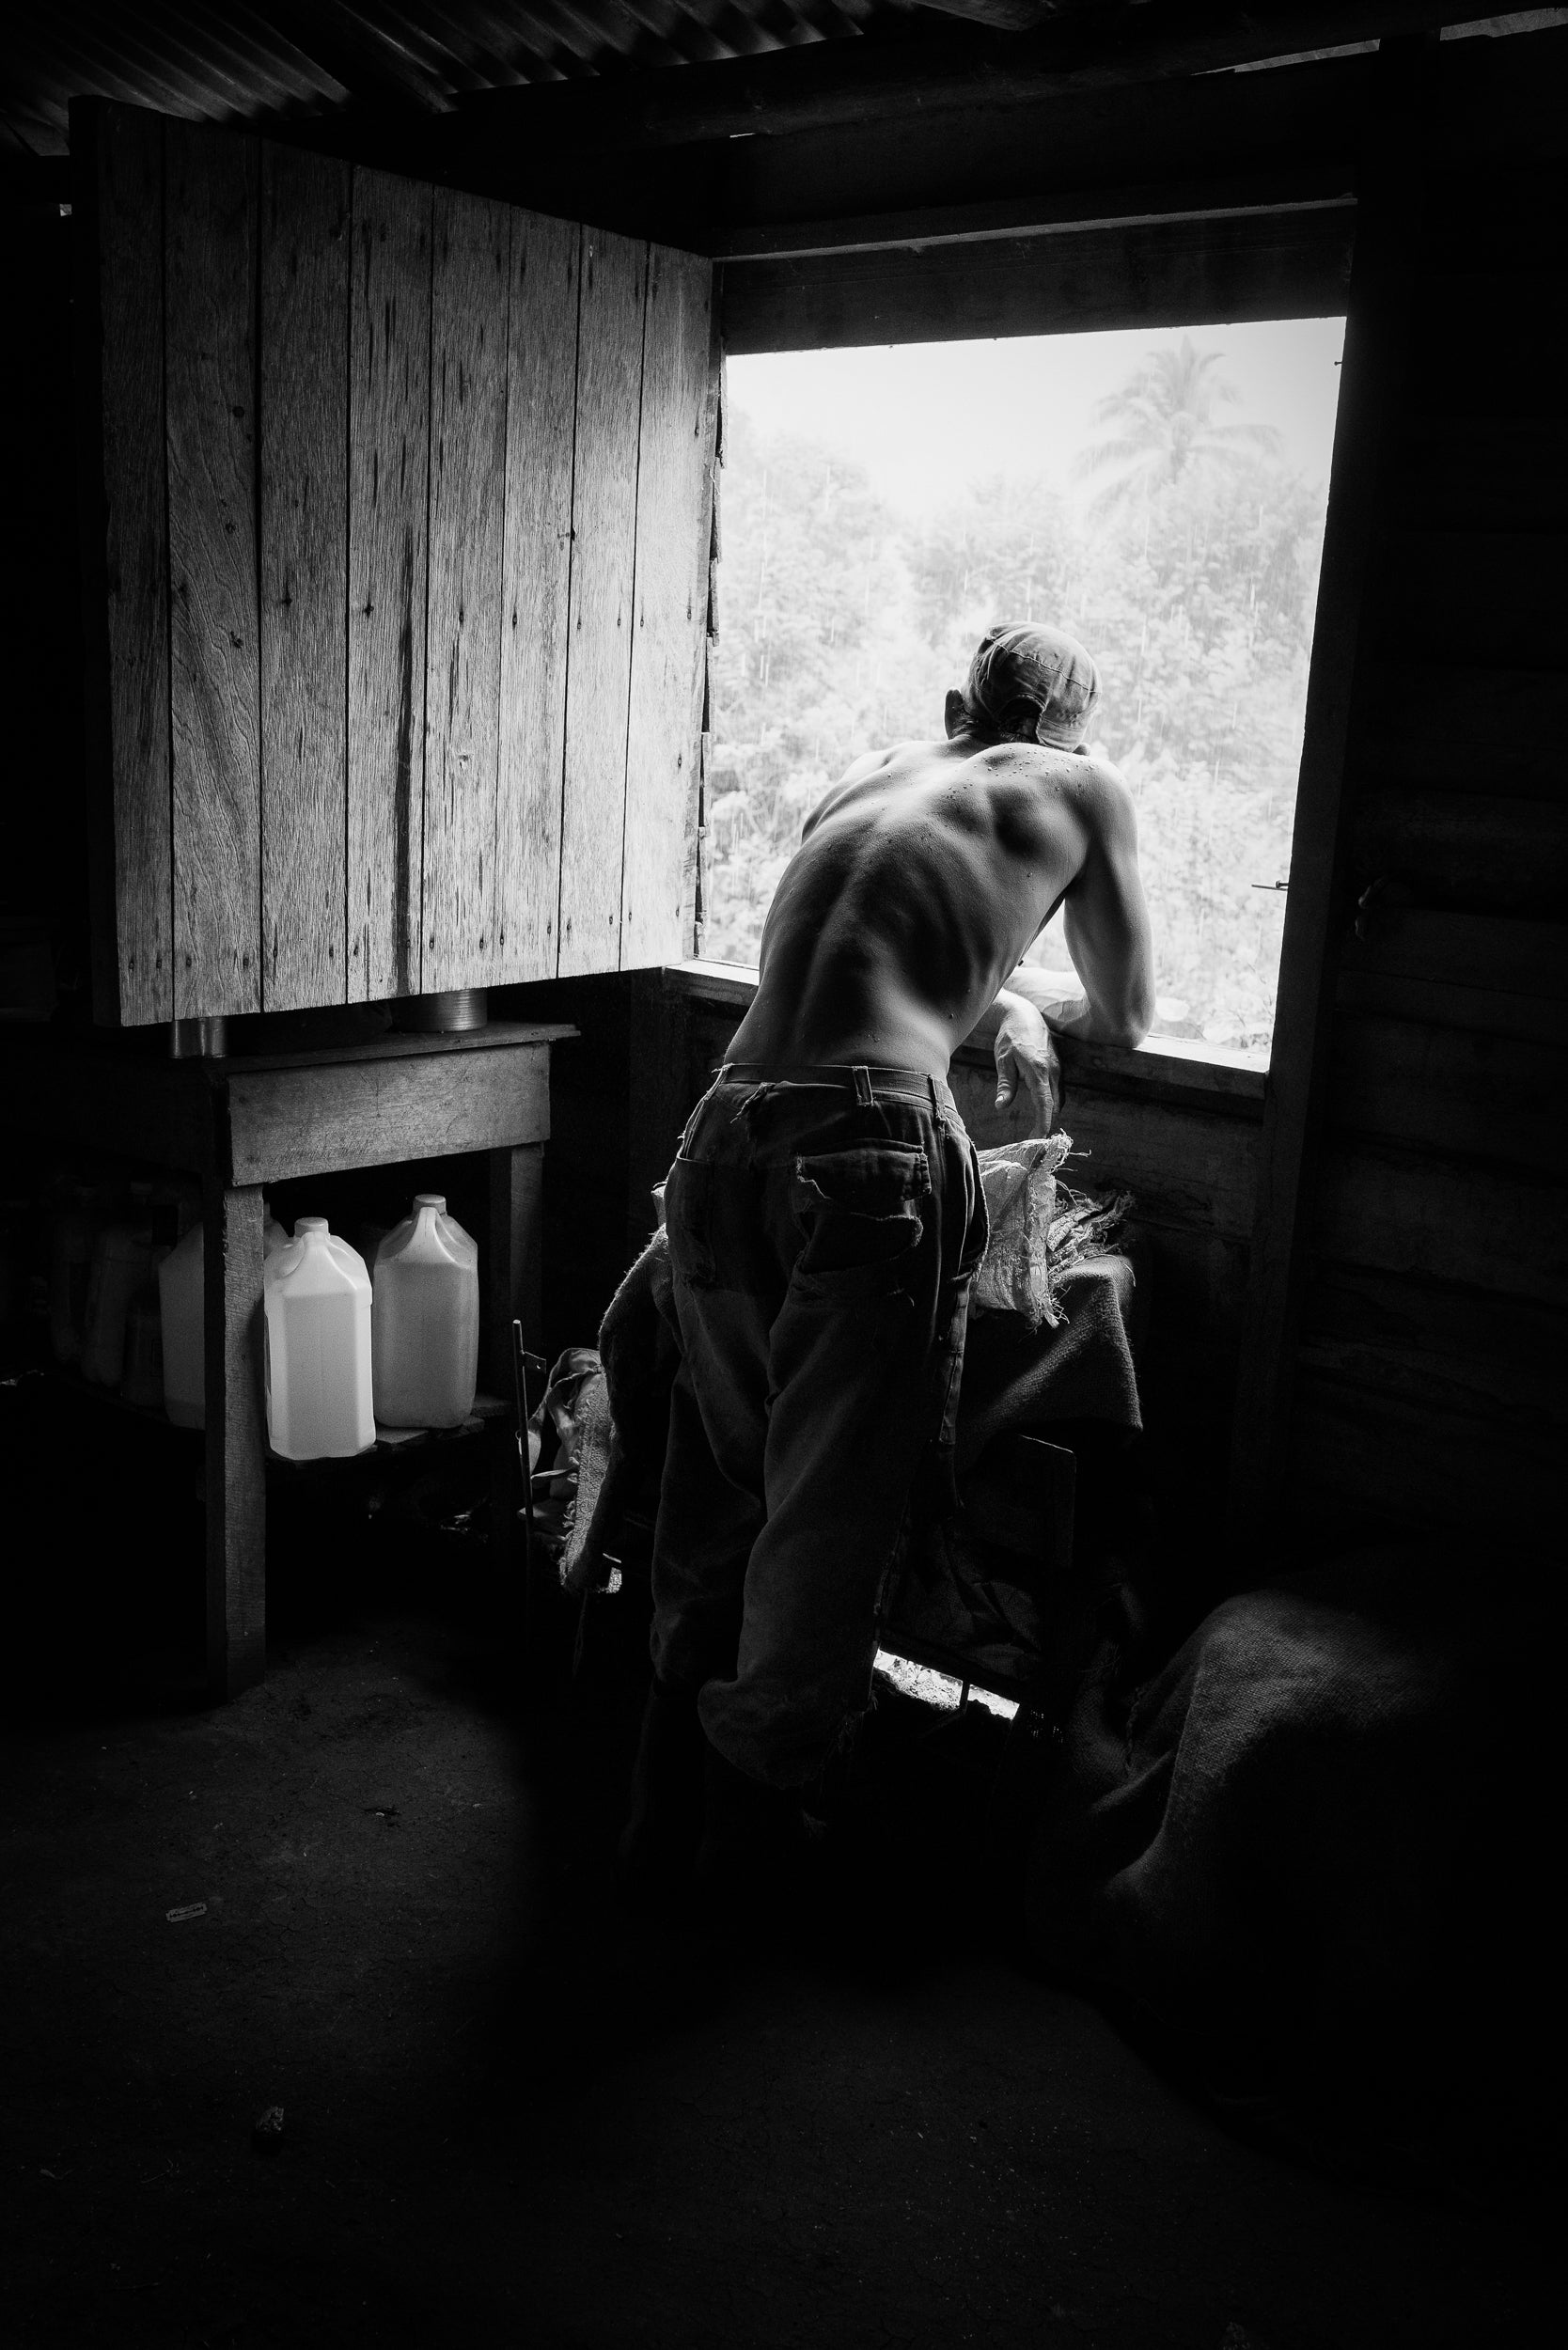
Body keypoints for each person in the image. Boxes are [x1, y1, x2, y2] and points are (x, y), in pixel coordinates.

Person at [622, 621, 1155, 1900]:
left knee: (716, 1474)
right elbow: (1129, 1012)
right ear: (1069, 735)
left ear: (955, 707)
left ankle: (657, 1811)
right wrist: (1030, 996)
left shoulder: (868, 773)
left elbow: (860, 952)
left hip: (724, 1126)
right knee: (825, 1510)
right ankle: (742, 1853)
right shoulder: (1081, 789)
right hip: (867, 1143)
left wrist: (993, 992)